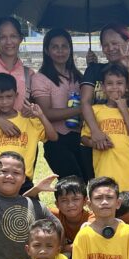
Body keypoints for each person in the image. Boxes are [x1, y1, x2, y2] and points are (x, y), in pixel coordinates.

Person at [0, 16, 51, 141]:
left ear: (20, 39)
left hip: (23, 140)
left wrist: (31, 110)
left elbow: (36, 105)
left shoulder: (29, 73)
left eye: (13, 36)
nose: (9, 42)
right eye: (3, 37)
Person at [79, 24, 129, 176]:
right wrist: (95, 131)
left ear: (127, 43)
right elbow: (85, 102)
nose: (110, 48)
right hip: (97, 141)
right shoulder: (94, 70)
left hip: (125, 145)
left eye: (115, 43)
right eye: (105, 45)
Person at [79, 63, 129, 196]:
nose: (114, 87)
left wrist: (124, 110)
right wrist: (95, 143)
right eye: (110, 83)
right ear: (102, 87)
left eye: (119, 83)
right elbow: (84, 138)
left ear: (126, 87)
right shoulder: (96, 110)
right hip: (104, 172)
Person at [36, 28, 89, 181]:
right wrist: (79, 109)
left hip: (80, 137)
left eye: (64, 46)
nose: (60, 51)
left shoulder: (78, 76)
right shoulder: (41, 78)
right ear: (47, 50)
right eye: (55, 47)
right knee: (73, 184)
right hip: (56, 140)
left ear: (70, 49)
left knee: (88, 182)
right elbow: (46, 113)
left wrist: (92, 67)